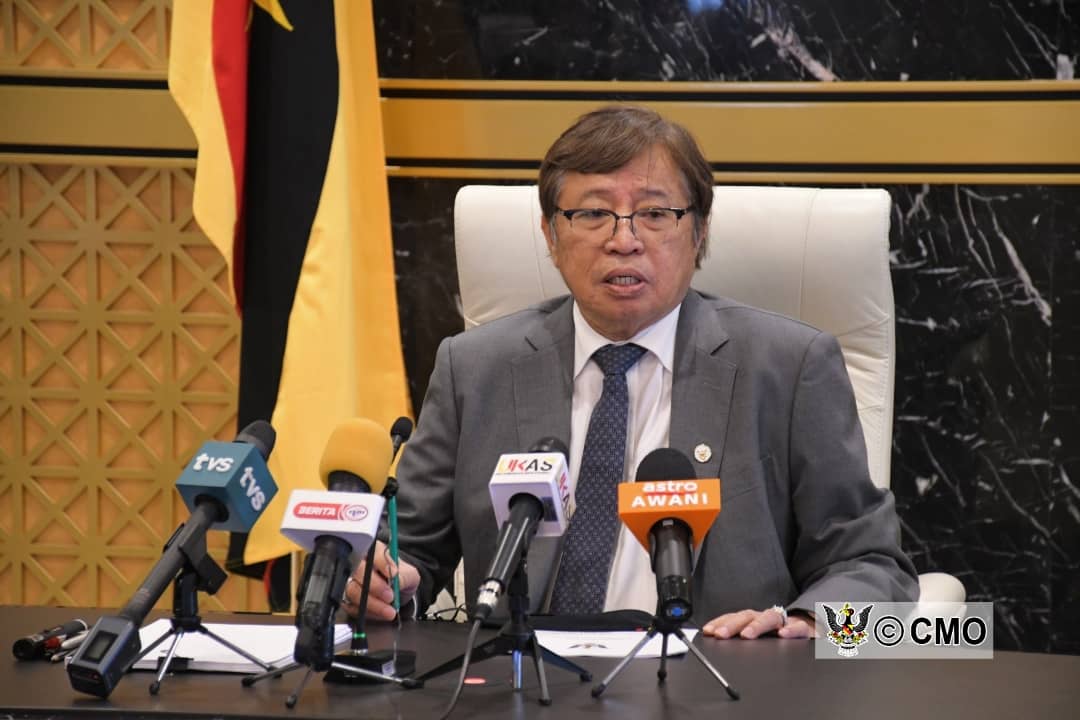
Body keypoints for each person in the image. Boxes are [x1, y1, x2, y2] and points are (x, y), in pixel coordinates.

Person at [344, 104, 918, 639]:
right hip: (517, 679)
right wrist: (382, 584)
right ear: (550, 235)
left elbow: (871, 566)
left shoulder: (788, 368)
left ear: (699, 232)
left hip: (716, 682)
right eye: (593, 213)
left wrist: (813, 626)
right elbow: (406, 548)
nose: (624, 240)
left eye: (655, 214)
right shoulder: (474, 369)